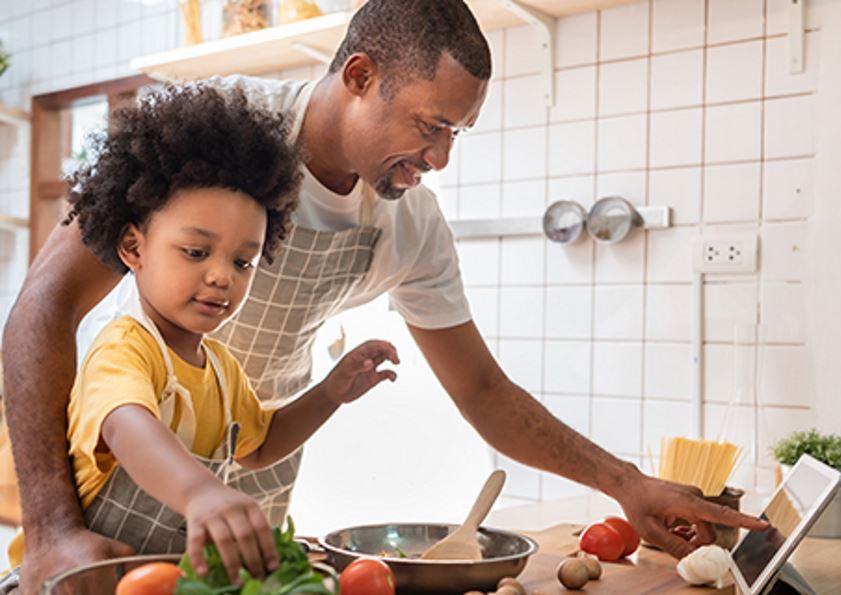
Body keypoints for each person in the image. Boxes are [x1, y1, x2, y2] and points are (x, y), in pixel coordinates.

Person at [1, 0, 767, 590]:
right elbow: (44, 304)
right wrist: (50, 526)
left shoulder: (410, 224)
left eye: (456, 134)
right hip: (122, 472)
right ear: (361, 76)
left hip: (252, 463)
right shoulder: (221, 135)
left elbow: (481, 389)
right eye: (429, 124)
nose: (436, 158)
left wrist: (623, 482)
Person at [0, 84, 398, 590]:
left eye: (242, 261)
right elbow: (127, 425)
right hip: (68, 582)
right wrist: (201, 493)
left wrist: (329, 393)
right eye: (195, 252)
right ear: (132, 247)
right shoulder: (126, 348)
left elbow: (260, 445)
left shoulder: (223, 370)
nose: (221, 277)